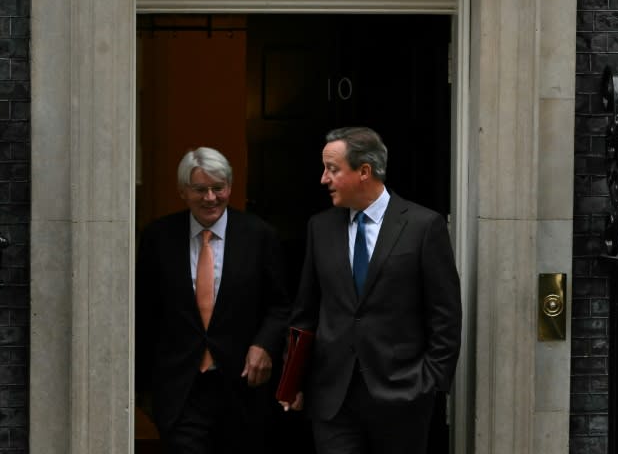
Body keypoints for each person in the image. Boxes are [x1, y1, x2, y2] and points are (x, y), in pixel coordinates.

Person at [283, 126, 462, 454]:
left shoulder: (424, 226)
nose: (324, 179)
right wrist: (292, 379)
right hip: (333, 398)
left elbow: (445, 315)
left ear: (364, 171)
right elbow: (305, 310)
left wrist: (429, 381)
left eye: (333, 169)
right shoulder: (319, 228)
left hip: (402, 396)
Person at [136, 146, 290, 454]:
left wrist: (264, 345)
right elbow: (144, 311)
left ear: (229, 187)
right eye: (200, 189)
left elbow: (282, 305)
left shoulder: (259, 235)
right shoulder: (158, 237)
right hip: (181, 388)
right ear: (183, 191)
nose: (210, 198)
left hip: (241, 387)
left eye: (218, 188)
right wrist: (143, 389)